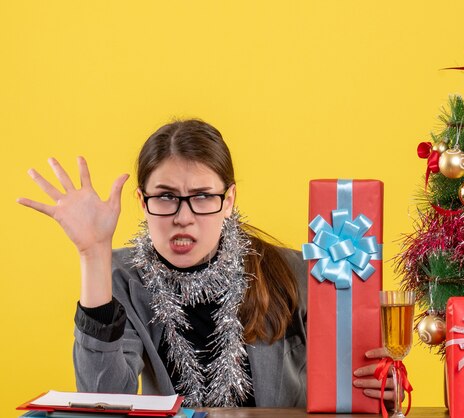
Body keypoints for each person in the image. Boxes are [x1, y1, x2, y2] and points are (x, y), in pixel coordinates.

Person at [18, 119, 393, 408]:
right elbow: (104, 397)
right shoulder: (120, 277)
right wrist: (93, 254)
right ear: (141, 200)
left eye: (202, 196)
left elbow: (353, 379)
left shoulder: (292, 271)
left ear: (228, 200)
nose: (184, 217)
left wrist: (380, 388)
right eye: (165, 197)